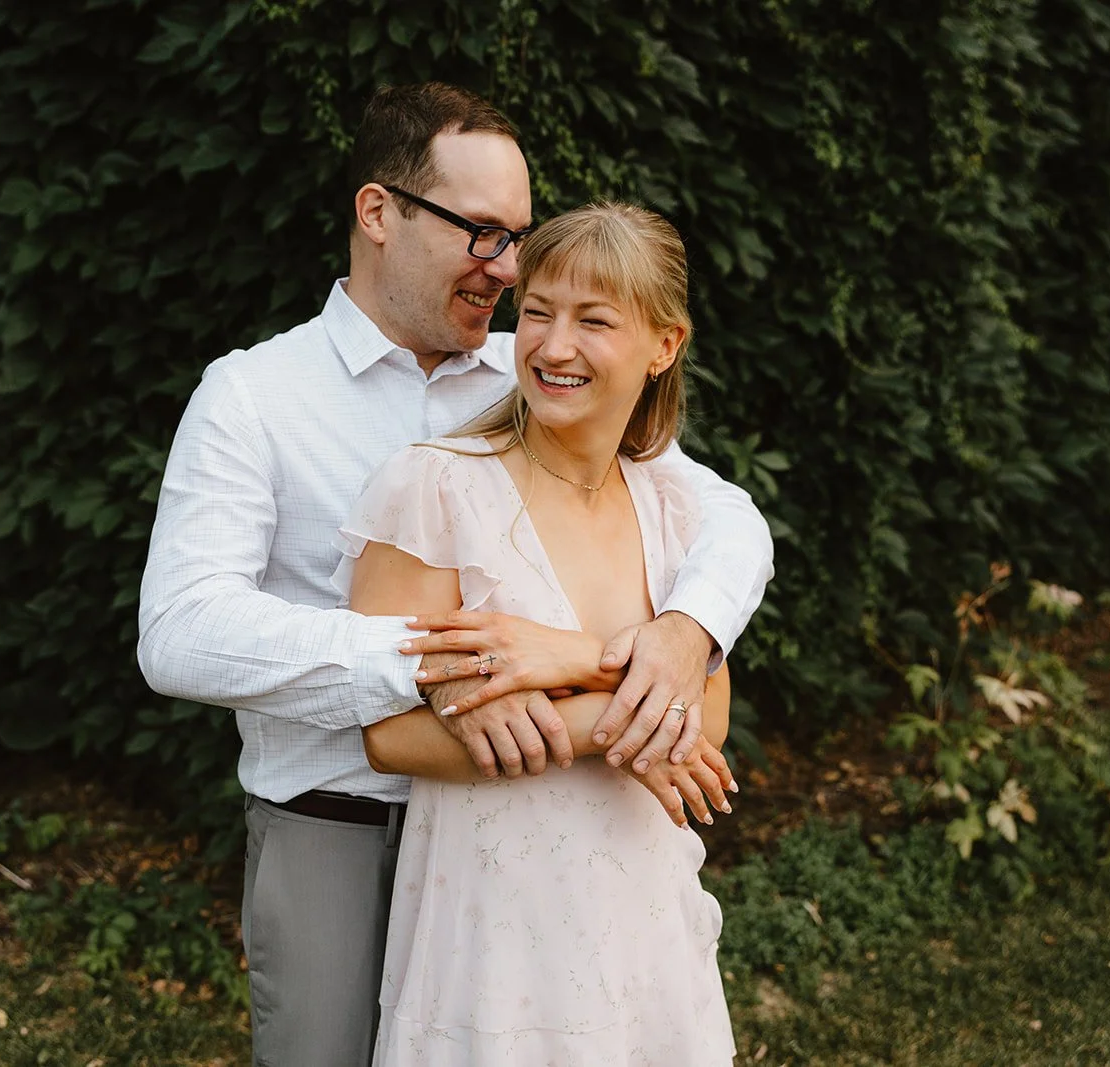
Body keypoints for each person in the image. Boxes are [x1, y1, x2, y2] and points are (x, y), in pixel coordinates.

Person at [137, 83, 772, 1067]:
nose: (509, 268)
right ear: (378, 211)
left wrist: (683, 631)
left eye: (516, 237)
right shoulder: (254, 398)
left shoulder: (539, 366)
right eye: (482, 232)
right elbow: (180, 630)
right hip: (336, 822)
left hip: (538, 823)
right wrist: (440, 662)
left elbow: (721, 517)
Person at [338, 202, 736, 1064]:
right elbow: (389, 732)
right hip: (495, 925)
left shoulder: (673, 505)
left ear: (664, 345)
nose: (553, 347)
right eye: (541, 311)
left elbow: (708, 721)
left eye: (595, 320)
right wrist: (620, 720)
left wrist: (563, 663)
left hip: (643, 916)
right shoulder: (435, 489)